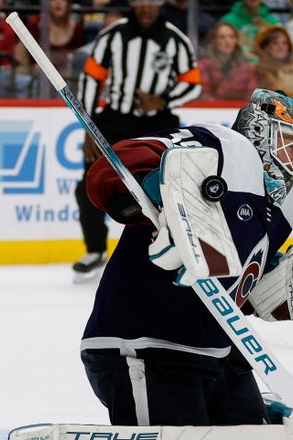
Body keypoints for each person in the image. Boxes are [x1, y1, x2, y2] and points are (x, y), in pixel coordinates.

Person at [79, 89, 293, 426]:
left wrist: (286, 287)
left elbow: (238, 288)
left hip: (219, 357)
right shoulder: (220, 146)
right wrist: (160, 195)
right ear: (258, 130)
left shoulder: (283, 208)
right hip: (145, 346)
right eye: (289, 143)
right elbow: (113, 165)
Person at [73, 0, 201, 279]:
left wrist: (162, 100)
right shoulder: (113, 35)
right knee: (88, 186)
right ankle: (95, 250)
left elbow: (193, 83)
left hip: (159, 124)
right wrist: (88, 127)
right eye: (140, 3)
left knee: (166, 191)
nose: (146, 8)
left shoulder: (175, 39)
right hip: (115, 122)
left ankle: (168, 252)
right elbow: (92, 79)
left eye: (151, 3)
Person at [17, 0, 85, 77]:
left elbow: (79, 61)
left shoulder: (77, 29)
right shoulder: (34, 24)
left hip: (67, 78)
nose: (58, 2)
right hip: (37, 77)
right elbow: (22, 57)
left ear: (68, 4)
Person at [198, 21, 258, 101]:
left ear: (236, 41)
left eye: (232, 37)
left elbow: (252, 94)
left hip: (239, 110)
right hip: (210, 110)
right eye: (222, 37)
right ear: (214, 40)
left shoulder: (246, 67)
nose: (228, 41)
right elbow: (202, 93)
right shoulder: (203, 65)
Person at [254, 25, 293, 102]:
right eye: (275, 43)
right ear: (267, 47)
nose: (280, 47)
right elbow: (279, 94)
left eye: (284, 43)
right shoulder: (262, 69)